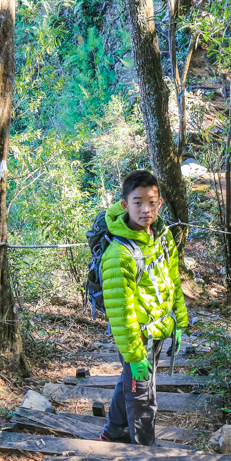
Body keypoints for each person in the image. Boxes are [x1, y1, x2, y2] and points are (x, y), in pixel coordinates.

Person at [99, 170, 189, 446]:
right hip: (138, 335)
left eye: (151, 202)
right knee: (143, 393)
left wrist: (180, 320)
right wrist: (135, 354)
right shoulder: (118, 254)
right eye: (137, 202)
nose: (145, 209)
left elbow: (172, 277)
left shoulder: (162, 237)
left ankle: (114, 430)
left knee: (132, 379)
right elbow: (121, 314)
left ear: (160, 202)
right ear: (125, 205)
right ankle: (144, 451)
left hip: (160, 326)